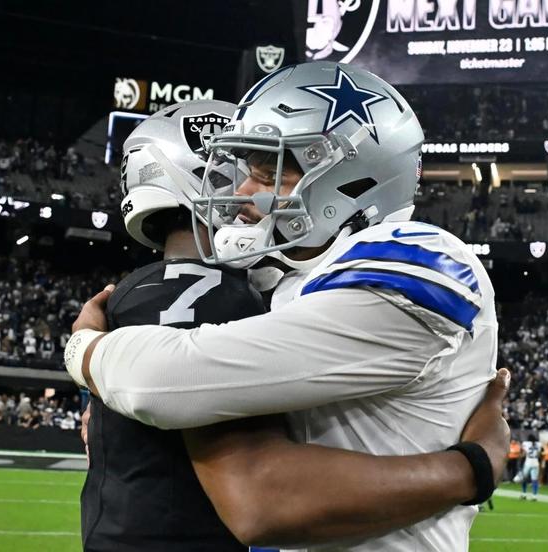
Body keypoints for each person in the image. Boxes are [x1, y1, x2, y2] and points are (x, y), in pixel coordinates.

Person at [67, 62, 500, 550]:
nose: (245, 191)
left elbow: (161, 382)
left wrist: (85, 348)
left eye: (270, 168)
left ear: (353, 180)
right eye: (248, 167)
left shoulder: (425, 259)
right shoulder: (287, 278)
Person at [518, 434, 541, 501]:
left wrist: (520, 456)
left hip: (528, 463)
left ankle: (524, 494)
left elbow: (524, 454)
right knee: (534, 480)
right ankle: (534, 496)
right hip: (535, 463)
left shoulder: (526, 444)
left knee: (524, 479)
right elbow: (538, 455)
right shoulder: (538, 444)